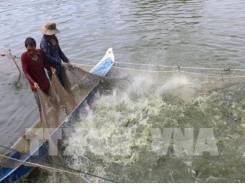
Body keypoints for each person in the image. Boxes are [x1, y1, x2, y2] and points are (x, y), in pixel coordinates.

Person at [21, 37, 54, 122]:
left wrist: (50, 68)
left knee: (54, 101)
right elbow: (25, 71)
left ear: (35, 47)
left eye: (32, 49)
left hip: (45, 83)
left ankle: (57, 118)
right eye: (28, 50)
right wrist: (33, 82)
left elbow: (45, 64)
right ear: (26, 48)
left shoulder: (40, 52)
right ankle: (44, 125)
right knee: (41, 108)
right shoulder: (24, 57)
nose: (31, 52)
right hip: (36, 88)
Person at [40, 20, 71, 86]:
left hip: (60, 66)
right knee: (58, 86)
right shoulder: (44, 43)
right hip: (53, 69)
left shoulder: (54, 38)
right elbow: (47, 57)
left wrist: (65, 59)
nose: (53, 34)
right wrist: (58, 62)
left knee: (64, 83)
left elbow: (59, 50)